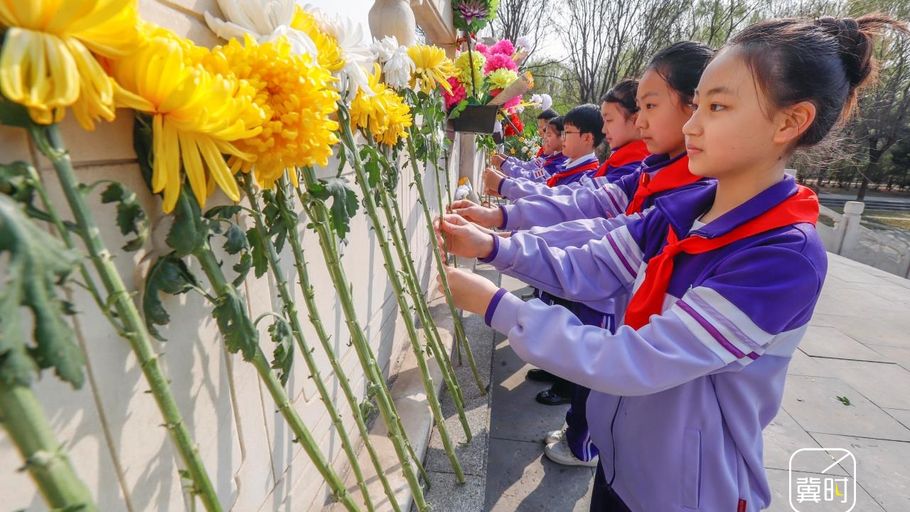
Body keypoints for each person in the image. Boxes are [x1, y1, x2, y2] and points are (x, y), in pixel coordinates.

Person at [437, 15, 904, 510]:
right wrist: (494, 246)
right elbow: (592, 258)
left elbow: (636, 360)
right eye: (697, 104)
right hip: (623, 461)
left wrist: (498, 305)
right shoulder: (689, 211)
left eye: (717, 106)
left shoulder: (781, 257)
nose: (692, 125)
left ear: (790, 122)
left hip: (685, 492)